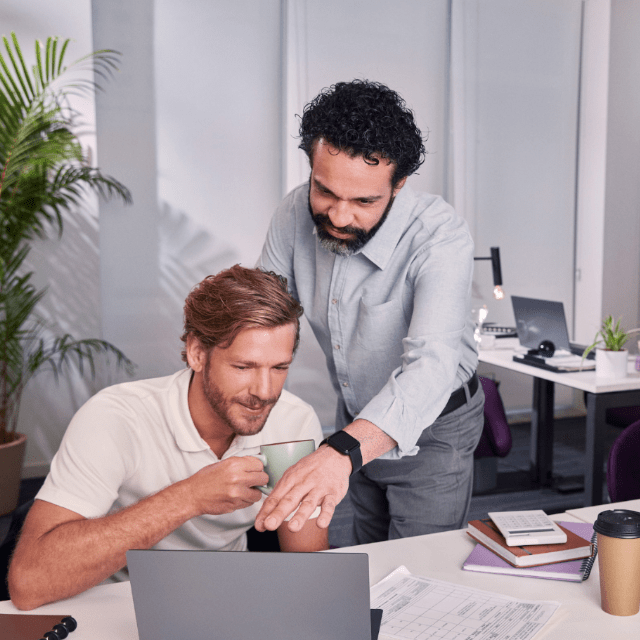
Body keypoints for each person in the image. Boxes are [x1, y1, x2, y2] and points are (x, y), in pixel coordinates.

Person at [9, 266, 327, 611]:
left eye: (279, 368)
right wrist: (188, 497)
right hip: (115, 605)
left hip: (228, 601)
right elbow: (29, 582)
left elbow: (309, 569)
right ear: (197, 353)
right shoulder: (116, 418)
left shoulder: (294, 422)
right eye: (243, 367)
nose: (264, 393)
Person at [256, 79, 484, 543]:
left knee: (419, 563)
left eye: (364, 201)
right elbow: (262, 317)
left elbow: (431, 367)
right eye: (325, 192)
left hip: (435, 424)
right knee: (370, 548)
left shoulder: (439, 237)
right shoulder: (291, 213)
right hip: (356, 410)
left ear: (398, 184)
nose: (339, 217)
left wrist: (340, 452)